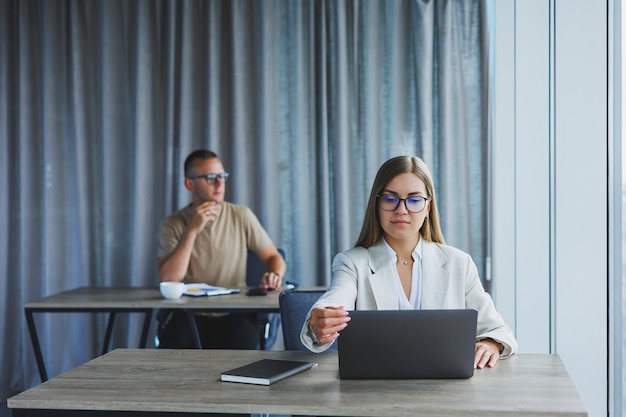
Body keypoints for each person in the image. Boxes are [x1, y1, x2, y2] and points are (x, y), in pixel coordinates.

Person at [300, 155, 517, 368]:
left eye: (414, 200)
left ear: (428, 208)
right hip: (372, 388)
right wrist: (320, 322)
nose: (401, 209)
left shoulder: (459, 263)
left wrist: (491, 343)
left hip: (445, 389)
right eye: (390, 198)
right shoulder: (352, 262)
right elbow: (336, 298)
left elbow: (499, 330)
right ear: (376, 205)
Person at [157, 149, 286, 349]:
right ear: (190, 184)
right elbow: (169, 278)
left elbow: (273, 257)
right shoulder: (173, 224)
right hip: (189, 313)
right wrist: (192, 230)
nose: (219, 184)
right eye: (210, 178)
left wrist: (274, 274)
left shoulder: (241, 215)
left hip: (235, 312)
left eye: (222, 176)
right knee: (173, 345)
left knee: (243, 343)